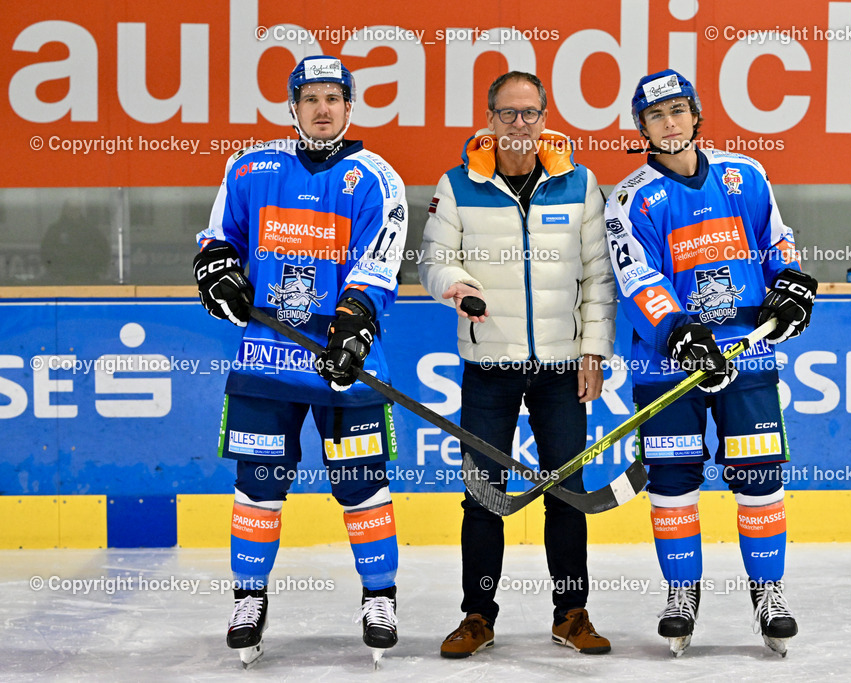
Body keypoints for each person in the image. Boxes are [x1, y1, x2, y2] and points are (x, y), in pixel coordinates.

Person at [192, 55, 408, 667]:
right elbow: (219, 240)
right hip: (267, 360)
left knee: (362, 486)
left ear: (349, 106)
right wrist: (219, 273)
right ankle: (248, 598)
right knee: (258, 488)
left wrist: (354, 328)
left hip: (346, 359)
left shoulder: (377, 179)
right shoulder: (250, 168)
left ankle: (379, 598)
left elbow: (380, 262)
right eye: (310, 98)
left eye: (333, 98)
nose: (322, 108)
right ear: (292, 107)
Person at [604, 70, 817, 656]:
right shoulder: (628, 198)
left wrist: (791, 282)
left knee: (759, 476)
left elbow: (775, 241)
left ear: (696, 115)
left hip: (749, 354)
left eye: (678, 111)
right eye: (656, 116)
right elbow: (635, 276)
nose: (669, 124)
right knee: (673, 482)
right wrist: (678, 331)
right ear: (641, 126)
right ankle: (681, 595)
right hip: (668, 366)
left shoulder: (743, 174)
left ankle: (768, 594)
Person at [419, 71, 617, 658]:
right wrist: (459, 287)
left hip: (561, 368)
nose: (519, 124)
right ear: (489, 119)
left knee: (568, 491)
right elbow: (434, 260)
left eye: (530, 113)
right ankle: (477, 615)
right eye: (508, 114)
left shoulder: (579, 184)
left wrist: (594, 351)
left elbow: (599, 277)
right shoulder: (457, 185)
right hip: (490, 365)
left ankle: (571, 613)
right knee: (483, 495)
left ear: (544, 117)